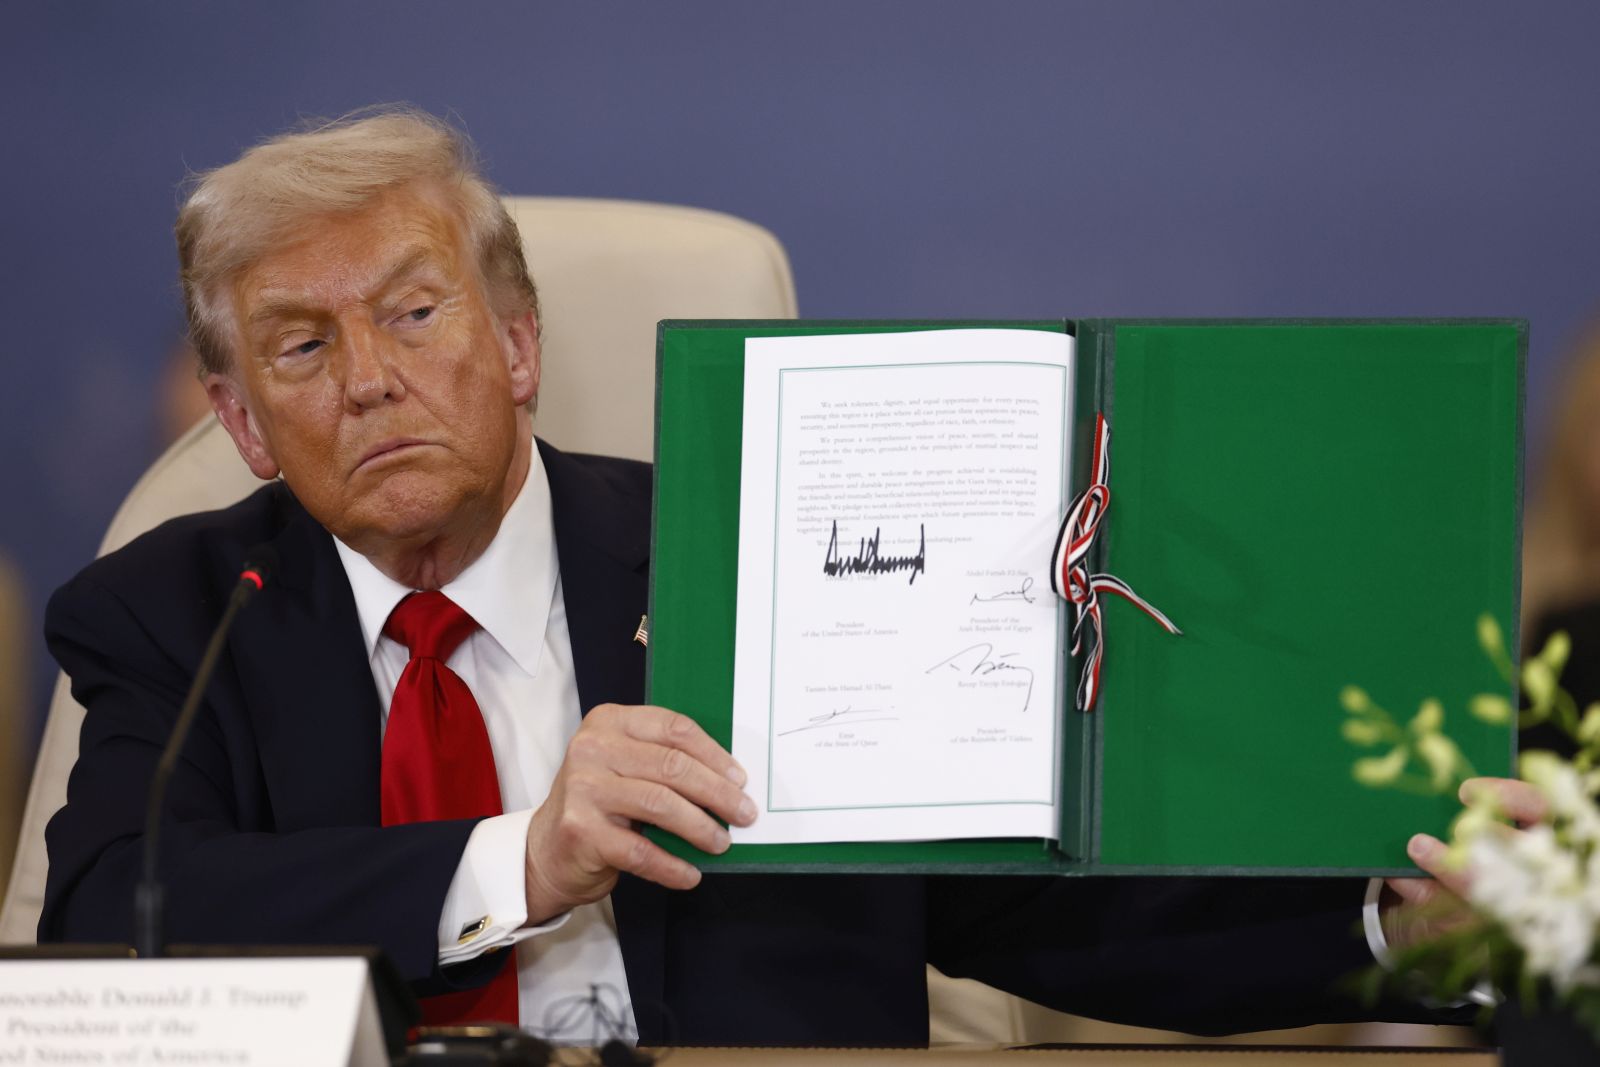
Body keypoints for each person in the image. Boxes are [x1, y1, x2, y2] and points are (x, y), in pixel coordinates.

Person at [41, 107, 1470, 1046]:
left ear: (521, 346)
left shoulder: (761, 560)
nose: (368, 382)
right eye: (300, 346)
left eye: (415, 313)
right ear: (241, 426)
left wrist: (1378, 922)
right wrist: (519, 858)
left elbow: (1035, 904)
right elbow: (111, 922)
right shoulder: (177, 612)